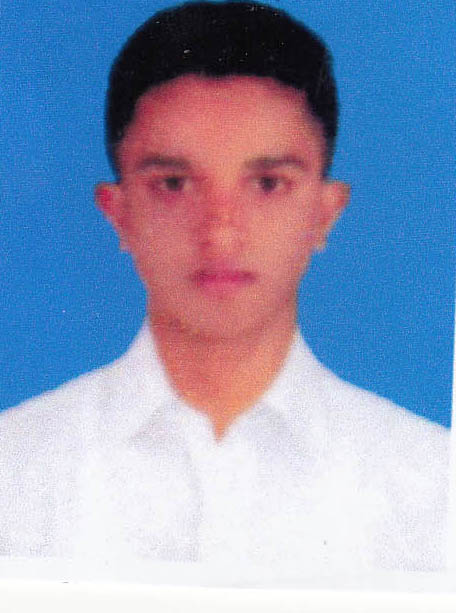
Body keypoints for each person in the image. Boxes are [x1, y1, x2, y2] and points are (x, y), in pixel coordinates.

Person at [0, 1, 449, 576]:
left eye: (267, 184)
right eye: (174, 183)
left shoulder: (432, 489)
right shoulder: (15, 473)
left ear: (325, 211)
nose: (221, 233)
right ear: (118, 213)